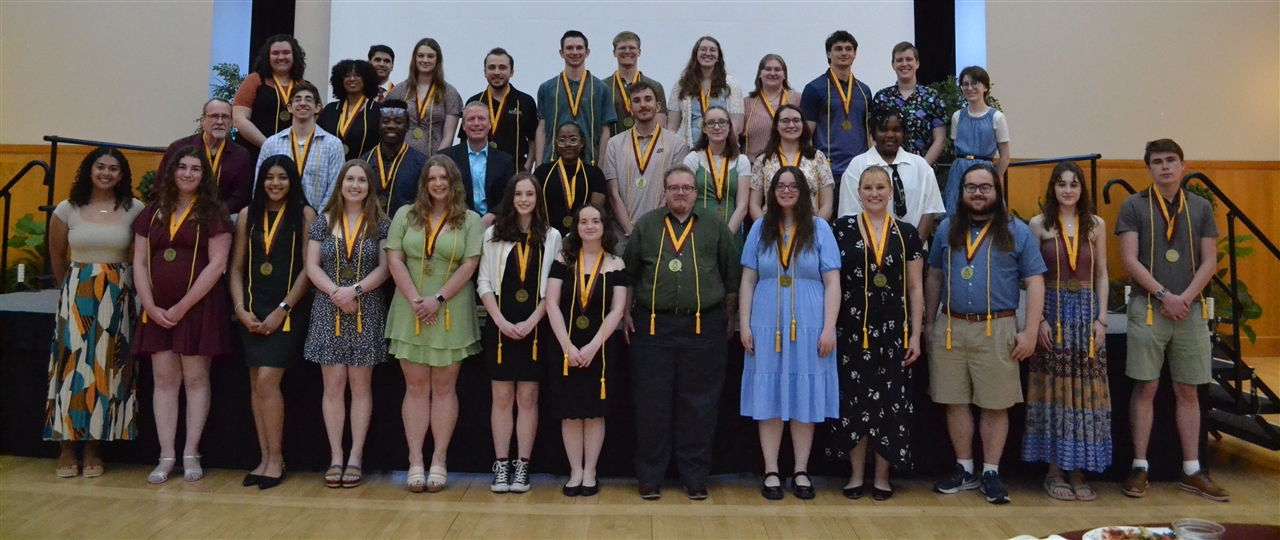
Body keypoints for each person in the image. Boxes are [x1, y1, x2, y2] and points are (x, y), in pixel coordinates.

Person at [924, 163, 1046, 505]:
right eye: (971, 188)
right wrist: (929, 323)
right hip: (951, 326)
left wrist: (1031, 330)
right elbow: (934, 275)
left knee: (995, 404)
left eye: (985, 188)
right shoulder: (948, 228)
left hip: (998, 327)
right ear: (961, 193)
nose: (978, 194)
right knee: (955, 399)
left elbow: (1035, 281)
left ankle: (990, 471)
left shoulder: (1016, 231)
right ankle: (964, 469)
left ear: (997, 191)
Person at [1116, 139, 1228, 502]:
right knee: (1145, 388)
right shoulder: (1134, 205)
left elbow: (1209, 261)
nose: (1165, 167)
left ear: (1183, 165)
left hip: (1190, 311)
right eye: (1157, 162)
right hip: (1149, 308)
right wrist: (1166, 296)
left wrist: (1185, 299)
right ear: (1148, 168)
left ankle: (1193, 470)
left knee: (1188, 390)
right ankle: (1139, 466)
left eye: (1171, 160)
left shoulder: (1200, 206)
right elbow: (1129, 260)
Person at [622, 166, 741, 501]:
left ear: (696, 191)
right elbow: (629, 274)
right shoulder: (646, 224)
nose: (680, 194)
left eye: (687, 188)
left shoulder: (714, 225)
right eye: (674, 188)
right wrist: (628, 315)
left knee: (699, 406)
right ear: (665, 191)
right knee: (651, 405)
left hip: (704, 328)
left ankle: (694, 475)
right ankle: (650, 476)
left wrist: (729, 317)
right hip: (652, 327)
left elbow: (730, 276)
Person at [131, 147, 234, 484]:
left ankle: (191, 453)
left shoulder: (214, 212)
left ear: (204, 176)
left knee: (195, 379)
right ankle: (166, 455)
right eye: (183, 168)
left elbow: (218, 264)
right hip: (157, 309)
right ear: (172, 171)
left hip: (196, 307)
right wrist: (149, 306)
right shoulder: (152, 212)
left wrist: (181, 306)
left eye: (196, 169)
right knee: (164, 381)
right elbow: (139, 263)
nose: (188, 174)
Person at [739, 166, 840, 500]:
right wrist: (744, 323)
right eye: (779, 186)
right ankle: (770, 470)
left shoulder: (820, 228)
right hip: (767, 322)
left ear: (803, 190)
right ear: (771, 192)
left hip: (810, 323)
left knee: (803, 396)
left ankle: (800, 470)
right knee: (769, 395)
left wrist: (829, 327)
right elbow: (748, 280)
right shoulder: (759, 228)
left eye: (792, 185)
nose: (785, 190)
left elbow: (833, 283)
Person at [385, 155, 484, 493]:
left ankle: (439, 459)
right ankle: (415, 460)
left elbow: (470, 265)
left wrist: (437, 300)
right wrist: (416, 299)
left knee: (444, 388)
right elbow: (394, 258)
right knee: (415, 389)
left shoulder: (471, 220)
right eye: (432, 178)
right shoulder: (404, 215)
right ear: (424, 183)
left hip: (450, 309)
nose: (438, 184)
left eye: (444, 178)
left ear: (453, 182)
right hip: (409, 307)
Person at [45, 148, 144, 478]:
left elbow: (139, 257)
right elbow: (58, 257)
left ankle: (93, 447)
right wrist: (73, 289)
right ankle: (66, 447)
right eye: (100, 167)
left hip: (116, 298)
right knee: (72, 370)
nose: (106, 173)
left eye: (113, 168)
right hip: (77, 295)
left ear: (121, 175)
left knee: (108, 371)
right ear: (89, 170)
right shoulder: (67, 209)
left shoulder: (134, 209)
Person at [828, 166, 924, 501]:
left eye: (880, 187)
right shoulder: (841, 230)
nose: (874, 193)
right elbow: (832, 282)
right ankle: (856, 475)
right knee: (854, 400)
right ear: (858, 192)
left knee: (890, 403)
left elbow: (915, 288)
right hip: (852, 329)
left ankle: (882, 477)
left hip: (893, 330)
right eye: (867, 187)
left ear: (890, 192)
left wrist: (915, 336)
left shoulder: (907, 234)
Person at [1022, 161, 1111, 501]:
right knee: (1054, 393)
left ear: (1082, 189)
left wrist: (1101, 319)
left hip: (1086, 315)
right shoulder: (1039, 224)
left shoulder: (1096, 225)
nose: (1068, 190)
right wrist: (1038, 320)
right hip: (1053, 314)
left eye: (1074, 184)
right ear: (1053, 189)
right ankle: (1055, 470)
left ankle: (1078, 469)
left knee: (1084, 393)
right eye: (1061, 184)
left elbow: (1102, 273)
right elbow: (1032, 277)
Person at [229, 156, 316, 490]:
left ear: (292, 181)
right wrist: (239, 307)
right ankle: (263, 458)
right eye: (269, 177)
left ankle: (277, 459)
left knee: (267, 381)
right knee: (255, 384)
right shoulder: (248, 216)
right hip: (251, 309)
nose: (275, 183)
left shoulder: (304, 215)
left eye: (282, 177)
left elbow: (309, 269)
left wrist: (283, 308)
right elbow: (236, 267)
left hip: (288, 309)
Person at [304, 159, 391, 489]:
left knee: (361, 386)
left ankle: (356, 456)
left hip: (366, 308)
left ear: (370, 187)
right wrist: (336, 293)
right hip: (328, 309)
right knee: (333, 386)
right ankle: (336, 456)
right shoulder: (322, 222)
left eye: (362, 180)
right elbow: (311, 265)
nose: (355, 185)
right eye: (350, 179)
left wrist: (354, 290)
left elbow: (385, 268)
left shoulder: (381, 224)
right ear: (340, 183)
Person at [478, 173, 563, 493]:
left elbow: (553, 287)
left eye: (530, 194)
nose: (524, 199)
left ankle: (522, 466)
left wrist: (533, 320)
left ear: (538, 199)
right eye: (519, 194)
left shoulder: (552, 236)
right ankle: (501, 465)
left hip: (537, 325)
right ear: (510, 198)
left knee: (528, 397)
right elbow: (484, 282)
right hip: (500, 324)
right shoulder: (492, 234)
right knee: (501, 397)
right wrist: (498, 319)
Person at [544, 204, 628, 497]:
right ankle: (574, 471)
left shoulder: (616, 264)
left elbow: (618, 310)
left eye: (595, 221)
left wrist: (592, 346)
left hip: (600, 348)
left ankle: (590, 471)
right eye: (584, 222)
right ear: (576, 227)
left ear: (605, 226)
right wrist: (567, 345)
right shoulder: (562, 259)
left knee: (594, 413)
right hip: (564, 346)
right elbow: (551, 303)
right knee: (570, 413)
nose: (589, 226)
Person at [839, 106, 945, 241]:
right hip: (869, 250)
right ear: (872, 133)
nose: (890, 135)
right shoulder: (858, 165)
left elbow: (930, 211)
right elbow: (850, 212)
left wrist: (913, 249)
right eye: (883, 130)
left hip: (914, 251)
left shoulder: (920, 166)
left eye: (896, 130)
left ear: (904, 133)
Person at [603, 80, 690, 242]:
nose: (643, 105)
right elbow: (613, 194)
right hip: (623, 234)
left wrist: (651, 226)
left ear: (658, 106)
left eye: (648, 99)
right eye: (636, 101)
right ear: (629, 109)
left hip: (663, 230)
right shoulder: (614, 144)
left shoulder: (676, 143)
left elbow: (675, 191)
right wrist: (631, 231)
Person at [255, 83, 345, 210]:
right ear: (290, 107)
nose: (303, 103)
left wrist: (317, 222)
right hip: (279, 221)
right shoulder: (271, 144)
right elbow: (259, 185)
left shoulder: (333, 145)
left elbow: (335, 189)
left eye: (308, 99)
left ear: (317, 107)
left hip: (319, 220)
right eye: (297, 99)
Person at [158, 99, 254, 214]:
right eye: (214, 116)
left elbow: (241, 196)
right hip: (180, 213)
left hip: (223, 217)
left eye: (225, 117)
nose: (219, 121)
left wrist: (215, 215)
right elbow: (161, 187)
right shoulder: (178, 148)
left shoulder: (241, 155)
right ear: (203, 120)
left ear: (231, 122)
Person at [535, 31, 616, 167]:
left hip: (590, 163)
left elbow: (605, 131)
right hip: (553, 162)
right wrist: (538, 165)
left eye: (579, 48)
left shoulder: (601, 89)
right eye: (569, 48)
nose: (574, 52)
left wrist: (601, 166)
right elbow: (542, 129)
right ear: (561, 52)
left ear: (587, 52)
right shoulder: (547, 88)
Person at [800, 31, 873, 181]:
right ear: (828, 54)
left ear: (855, 54)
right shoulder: (814, 88)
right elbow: (806, 134)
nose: (844, 53)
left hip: (859, 170)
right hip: (827, 170)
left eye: (848, 49)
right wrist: (812, 167)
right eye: (838, 49)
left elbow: (869, 132)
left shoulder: (864, 90)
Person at [748, 104, 835, 221]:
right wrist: (764, 229)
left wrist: (817, 229)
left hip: (810, 229)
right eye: (785, 121)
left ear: (803, 125)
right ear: (776, 126)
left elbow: (827, 204)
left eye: (796, 120)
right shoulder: (763, 160)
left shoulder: (817, 158)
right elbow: (754, 205)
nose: (791, 125)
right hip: (772, 230)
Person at [944, 66, 1011, 216]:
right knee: (956, 215)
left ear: (985, 87)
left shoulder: (997, 117)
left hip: (985, 171)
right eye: (965, 84)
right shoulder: (957, 116)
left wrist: (994, 179)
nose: (970, 88)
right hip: (959, 173)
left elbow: (1005, 156)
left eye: (975, 83)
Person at [438, 102, 517, 226]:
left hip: (495, 224)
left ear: (490, 124)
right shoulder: (447, 158)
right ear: (463, 126)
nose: (476, 123)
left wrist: (494, 214)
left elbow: (510, 194)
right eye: (471, 119)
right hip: (457, 222)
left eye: (481, 119)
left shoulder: (505, 160)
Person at [872, 42, 947, 165]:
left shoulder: (932, 97)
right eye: (899, 60)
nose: (904, 64)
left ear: (917, 63)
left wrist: (921, 169)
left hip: (923, 171)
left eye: (909, 59)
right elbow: (873, 136)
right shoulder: (882, 97)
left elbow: (940, 139)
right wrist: (883, 165)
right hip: (887, 170)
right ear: (893, 65)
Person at [386, 38, 464, 156]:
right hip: (402, 158)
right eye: (421, 56)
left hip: (434, 158)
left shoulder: (449, 93)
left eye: (430, 56)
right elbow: (390, 128)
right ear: (414, 59)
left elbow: (449, 136)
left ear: (438, 60)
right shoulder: (399, 90)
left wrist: (437, 161)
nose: (425, 60)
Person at [234, 35, 308, 157]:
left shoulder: (304, 86)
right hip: (253, 152)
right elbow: (239, 119)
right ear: (267, 57)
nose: (281, 57)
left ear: (294, 56)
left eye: (286, 52)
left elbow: (313, 120)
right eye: (275, 53)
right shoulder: (254, 80)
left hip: (291, 154)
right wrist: (268, 146)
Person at [464, 48, 538, 170]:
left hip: (515, 170)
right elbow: (465, 139)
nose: (497, 72)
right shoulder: (474, 102)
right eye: (492, 67)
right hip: (480, 169)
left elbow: (533, 139)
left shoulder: (525, 102)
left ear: (511, 72)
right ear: (484, 72)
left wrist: (528, 165)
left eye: (502, 68)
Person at [682, 106, 751, 235]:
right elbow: (686, 199)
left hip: (732, 233)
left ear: (729, 127)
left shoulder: (741, 161)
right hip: (699, 232)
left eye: (722, 122)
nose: (717, 127)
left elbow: (742, 206)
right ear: (704, 129)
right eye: (711, 123)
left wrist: (726, 236)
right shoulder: (693, 159)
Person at [667, 36, 745, 147]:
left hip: (721, 150)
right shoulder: (681, 84)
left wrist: (723, 148)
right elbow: (671, 127)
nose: (708, 53)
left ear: (718, 57)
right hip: (685, 149)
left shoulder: (731, 83)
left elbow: (736, 126)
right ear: (696, 54)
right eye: (703, 49)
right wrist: (675, 150)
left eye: (713, 50)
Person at [534, 122, 608, 237]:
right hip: (546, 237)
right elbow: (535, 209)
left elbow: (595, 212)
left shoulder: (595, 174)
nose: (567, 144)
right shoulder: (542, 173)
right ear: (556, 144)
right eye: (562, 140)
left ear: (582, 143)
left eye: (573, 139)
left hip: (583, 238)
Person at [361, 99, 428, 218]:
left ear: (407, 127)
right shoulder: (364, 162)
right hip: (369, 228)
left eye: (398, 122)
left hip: (407, 229)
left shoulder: (421, 163)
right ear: (378, 125)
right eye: (385, 121)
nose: (391, 126)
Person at [741, 54, 801, 163]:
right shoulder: (746, 103)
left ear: (784, 75)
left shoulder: (797, 99)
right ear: (760, 74)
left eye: (777, 69)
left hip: (790, 166)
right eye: (768, 69)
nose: (772, 73)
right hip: (754, 166)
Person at [319, 59, 382, 161]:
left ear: (367, 79)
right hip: (332, 169)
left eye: (357, 75)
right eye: (347, 75)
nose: (352, 79)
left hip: (365, 170)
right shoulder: (330, 109)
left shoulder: (377, 110)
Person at [607, 31, 668, 134]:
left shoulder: (655, 86)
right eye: (622, 48)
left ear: (639, 52)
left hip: (646, 147)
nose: (627, 51)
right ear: (614, 53)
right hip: (614, 147)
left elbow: (659, 127)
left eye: (632, 48)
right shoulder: (603, 86)